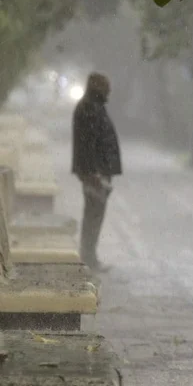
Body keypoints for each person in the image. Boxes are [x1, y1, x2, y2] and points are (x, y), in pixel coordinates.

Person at [72, 72, 122, 271]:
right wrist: (91, 172)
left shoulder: (93, 106)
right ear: (98, 87)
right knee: (93, 215)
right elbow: (86, 145)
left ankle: (89, 255)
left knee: (95, 214)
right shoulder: (89, 108)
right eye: (106, 85)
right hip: (95, 173)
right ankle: (88, 257)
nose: (109, 89)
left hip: (98, 171)